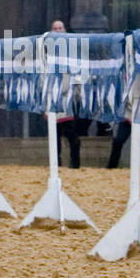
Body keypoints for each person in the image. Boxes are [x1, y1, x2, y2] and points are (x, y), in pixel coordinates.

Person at [49, 19, 84, 169]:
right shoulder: (48, 51)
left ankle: (75, 164)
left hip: (69, 97)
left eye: (60, 28)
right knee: (54, 135)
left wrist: (77, 91)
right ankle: (56, 164)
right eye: (55, 28)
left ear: (64, 30)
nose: (58, 31)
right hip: (53, 98)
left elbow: (79, 71)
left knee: (72, 134)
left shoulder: (72, 50)